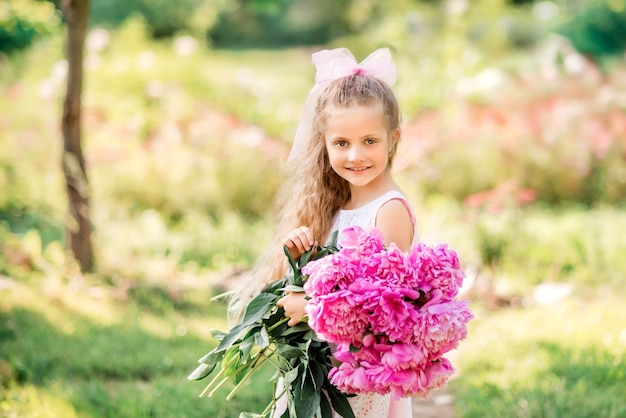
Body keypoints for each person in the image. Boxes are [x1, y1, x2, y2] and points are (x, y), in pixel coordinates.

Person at [232, 47, 416, 418]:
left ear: (393, 138)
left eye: (370, 141)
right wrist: (300, 264)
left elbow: (381, 313)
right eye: (342, 143)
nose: (355, 156)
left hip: (358, 380)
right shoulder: (335, 204)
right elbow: (331, 281)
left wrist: (310, 309)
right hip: (321, 370)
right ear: (325, 143)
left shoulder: (389, 211)